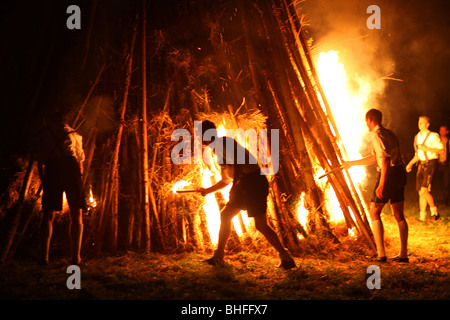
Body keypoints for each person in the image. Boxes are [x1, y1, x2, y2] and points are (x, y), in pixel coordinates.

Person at [197, 120, 296, 269]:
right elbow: (226, 180)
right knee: (226, 215)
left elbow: (238, 164)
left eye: (199, 135)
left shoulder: (225, 143)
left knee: (261, 225)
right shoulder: (217, 152)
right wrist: (207, 190)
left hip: (254, 182)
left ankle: (286, 257)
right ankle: (218, 256)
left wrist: (235, 184)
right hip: (243, 183)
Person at [344, 109, 408, 263]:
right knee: (399, 213)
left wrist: (382, 184)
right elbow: (375, 157)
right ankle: (403, 255)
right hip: (400, 172)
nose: (366, 124)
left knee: (374, 212)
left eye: (366, 121)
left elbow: (385, 160)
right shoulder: (388, 133)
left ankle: (381, 255)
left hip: (390, 174)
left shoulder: (377, 135)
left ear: (371, 120)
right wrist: (352, 163)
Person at [35, 111, 86, 265]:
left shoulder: (45, 133)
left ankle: (44, 257)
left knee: (48, 215)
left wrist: (45, 179)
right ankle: (76, 257)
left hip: (53, 170)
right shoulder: (75, 135)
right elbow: (80, 164)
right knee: (77, 214)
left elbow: (41, 160)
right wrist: (77, 178)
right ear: (66, 121)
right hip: (71, 170)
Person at [406, 116, 444, 221]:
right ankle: (422, 217)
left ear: (428, 124)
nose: (420, 124)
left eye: (422, 122)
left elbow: (441, 150)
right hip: (421, 165)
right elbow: (417, 155)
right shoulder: (417, 137)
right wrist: (410, 164)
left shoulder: (433, 136)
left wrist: (427, 148)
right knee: (420, 192)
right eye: (419, 122)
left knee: (424, 191)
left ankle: (435, 214)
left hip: (431, 164)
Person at [436, 125, 449, 205]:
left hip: (446, 165)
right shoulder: (437, 141)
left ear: (447, 132)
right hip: (437, 165)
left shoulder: (448, 141)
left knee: (446, 184)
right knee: (434, 183)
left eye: (444, 130)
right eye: (441, 130)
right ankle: (435, 200)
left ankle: (446, 201)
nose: (442, 131)